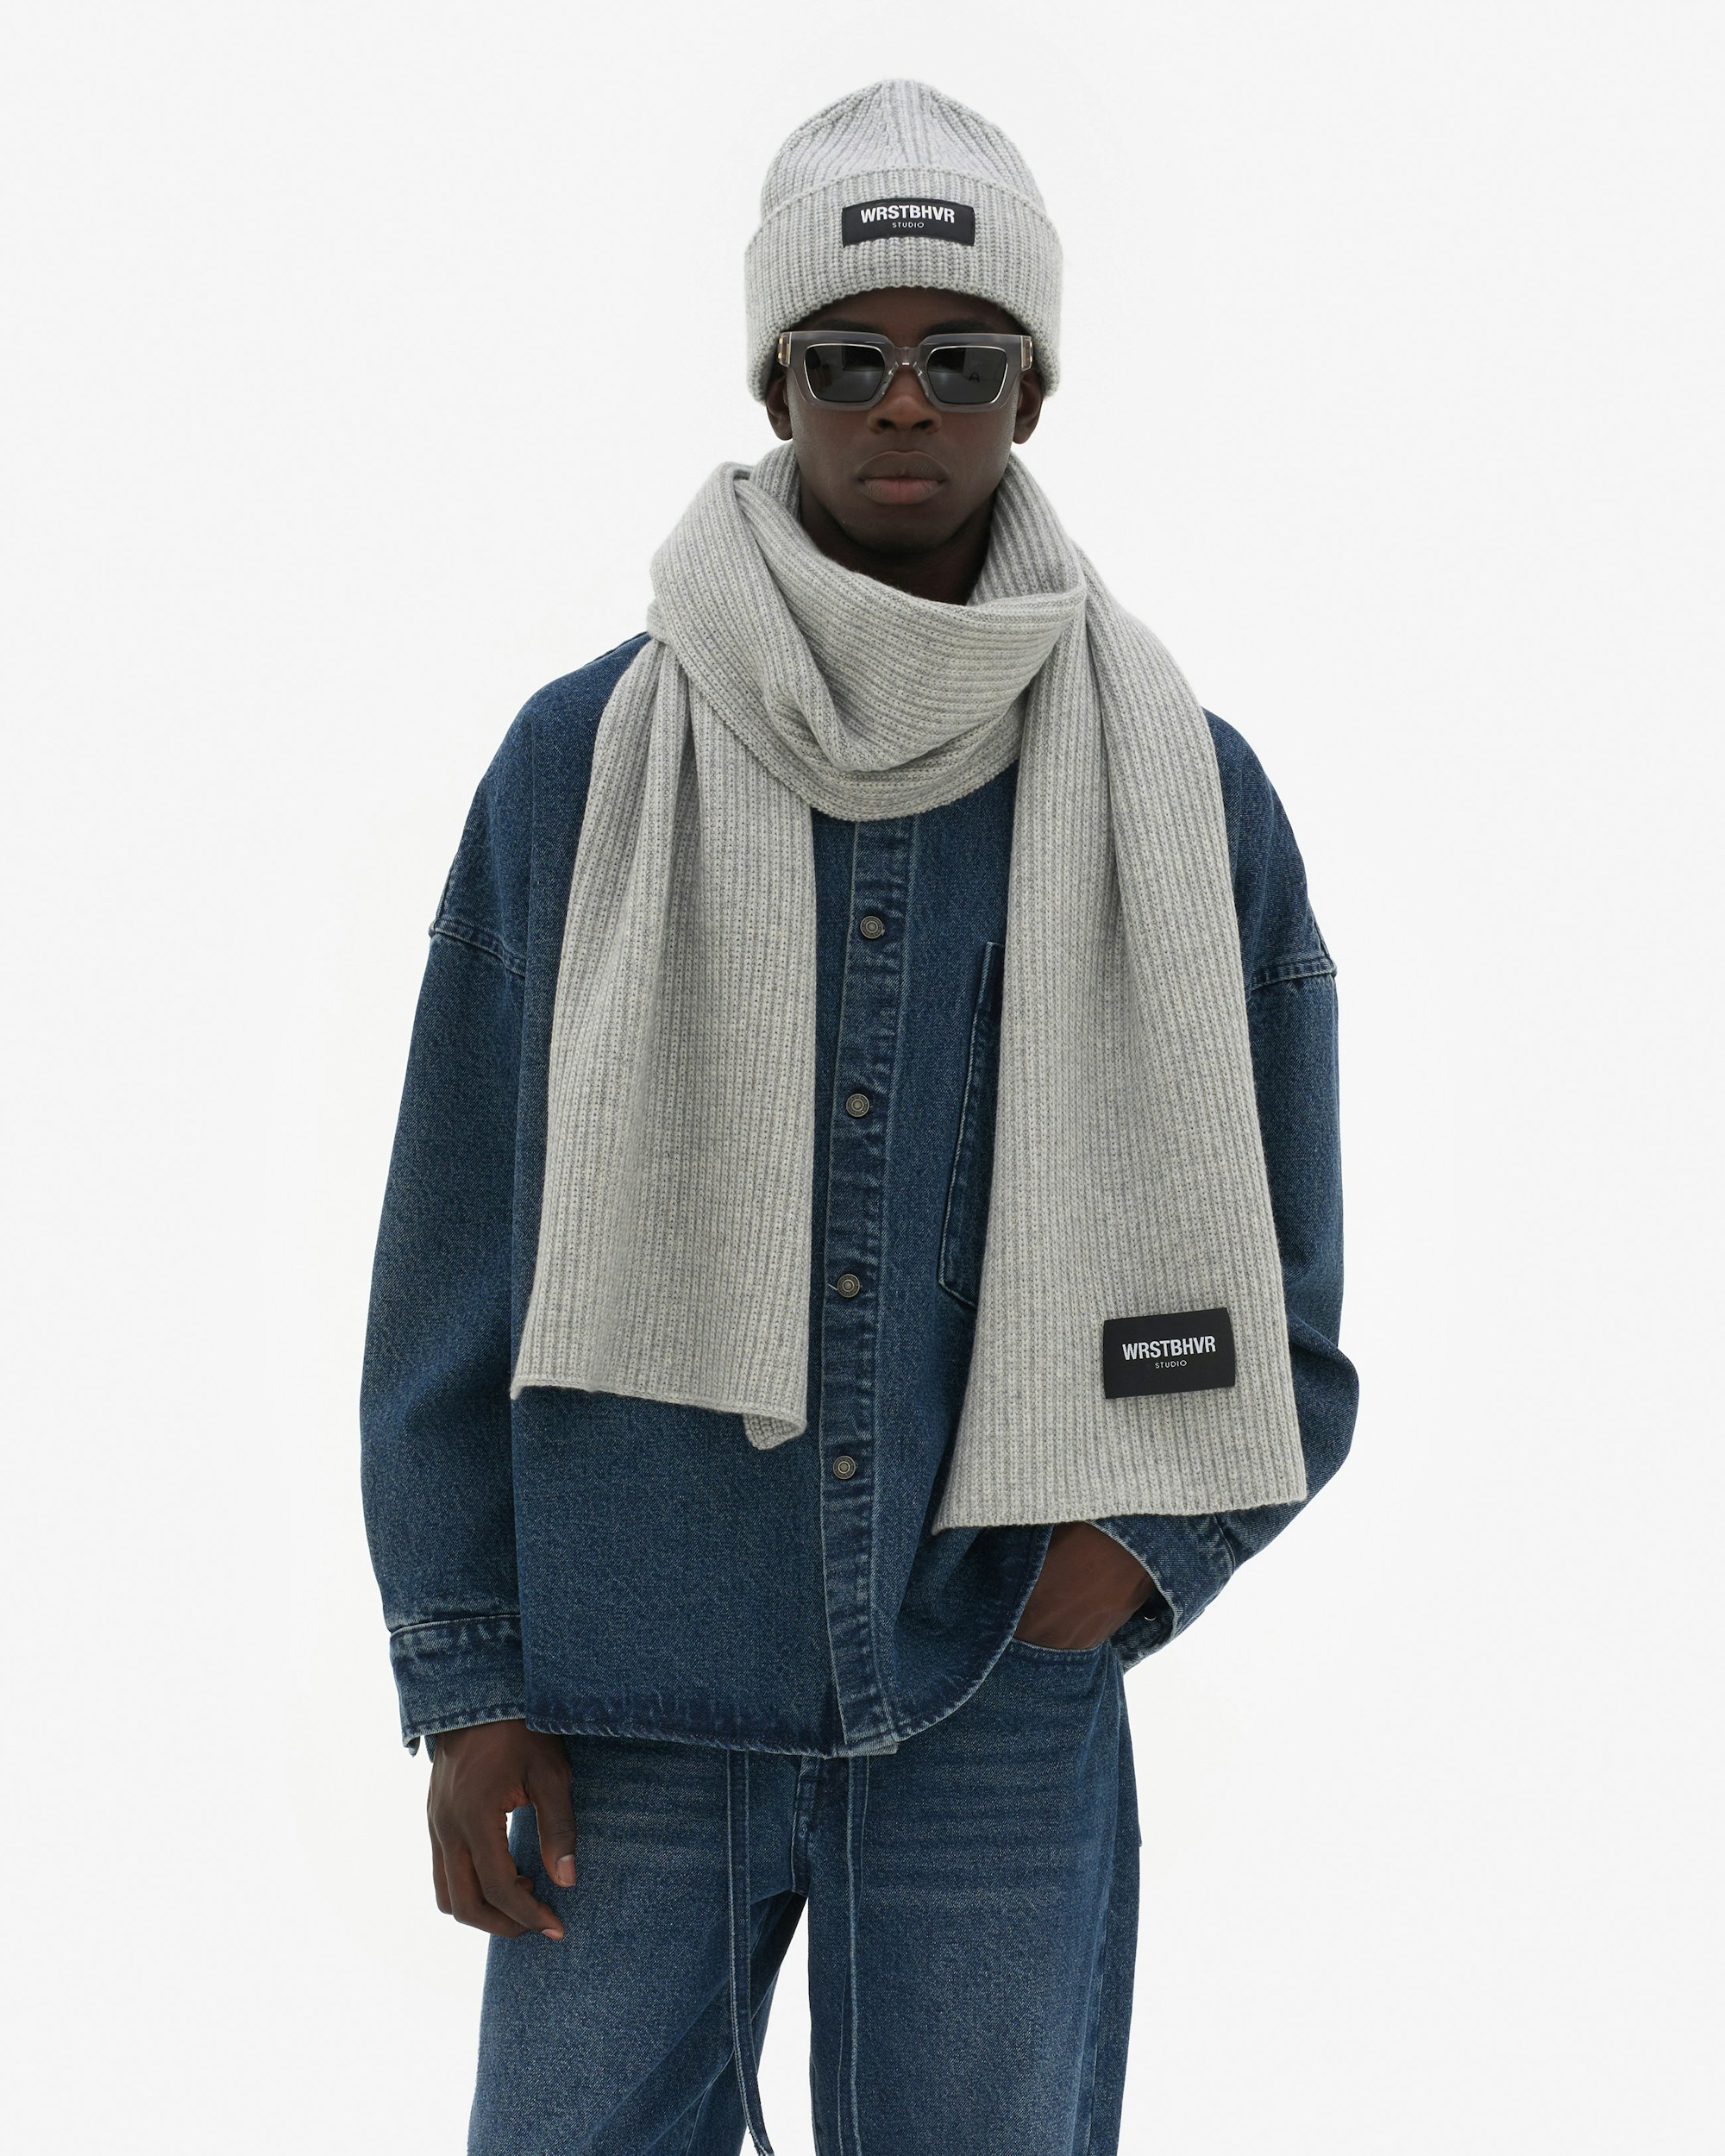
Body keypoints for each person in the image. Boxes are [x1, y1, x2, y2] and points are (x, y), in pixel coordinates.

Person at [361, 77, 1358, 2156]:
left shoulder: (1183, 793)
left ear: (1030, 387)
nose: (904, 401)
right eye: (848, 355)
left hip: (996, 1698)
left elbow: (1289, 1298)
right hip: (627, 1695)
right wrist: (467, 1680)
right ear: (777, 380)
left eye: (960, 357)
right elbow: (453, 1255)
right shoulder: (578, 767)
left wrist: (1139, 1544)